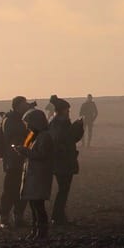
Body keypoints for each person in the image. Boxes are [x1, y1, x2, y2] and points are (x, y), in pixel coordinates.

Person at [13, 107, 54, 240]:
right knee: (34, 204)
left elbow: (42, 155)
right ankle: (36, 230)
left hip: (39, 175)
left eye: (29, 123)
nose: (28, 126)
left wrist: (25, 152)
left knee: (38, 205)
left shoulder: (44, 137)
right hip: (34, 174)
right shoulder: (36, 136)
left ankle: (42, 231)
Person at [0, 96, 35, 230]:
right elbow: (16, 136)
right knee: (10, 190)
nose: (26, 106)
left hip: (20, 158)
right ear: (18, 106)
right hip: (13, 160)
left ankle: (18, 216)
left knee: (21, 190)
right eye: (24, 104)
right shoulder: (11, 120)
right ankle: (4, 217)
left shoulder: (15, 119)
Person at [48, 96, 84, 226]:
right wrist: (78, 126)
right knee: (63, 189)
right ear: (62, 110)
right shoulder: (59, 124)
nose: (68, 112)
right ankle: (57, 216)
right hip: (63, 161)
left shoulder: (56, 123)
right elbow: (67, 139)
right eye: (67, 110)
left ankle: (59, 215)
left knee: (63, 189)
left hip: (61, 161)